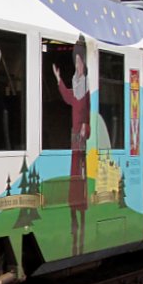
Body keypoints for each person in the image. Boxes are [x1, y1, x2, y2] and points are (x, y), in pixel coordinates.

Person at [53, 36, 90, 255]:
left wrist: (86, 126)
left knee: (81, 175)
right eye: (75, 62)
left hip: (82, 139)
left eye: (79, 62)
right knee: (74, 174)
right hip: (74, 138)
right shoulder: (76, 84)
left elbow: (88, 110)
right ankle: (74, 214)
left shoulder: (86, 87)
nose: (77, 65)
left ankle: (81, 215)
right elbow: (68, 98)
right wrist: (58, 79)